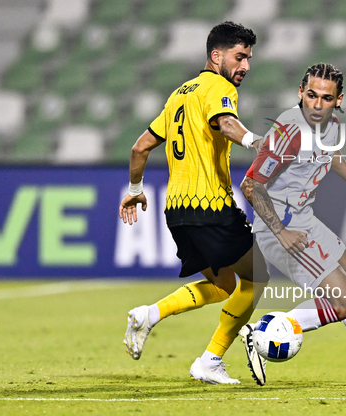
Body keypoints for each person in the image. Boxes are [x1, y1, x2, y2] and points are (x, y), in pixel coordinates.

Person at [238, 63, 346, 386]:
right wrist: (281, 232)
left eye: (326, 97)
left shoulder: (330, 124)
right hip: (282, 229)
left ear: (338, 100)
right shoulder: (287, 134)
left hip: (306, 220)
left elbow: (331, 152)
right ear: (300, 93)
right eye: (311, 96)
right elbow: (250, 185)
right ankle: (263, 331)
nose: (317, 105)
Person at [119, 21, 269, 385]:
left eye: (248, 58)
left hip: (176, 211)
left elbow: (140, 146)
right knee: (257, 278)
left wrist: (136, 188)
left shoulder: (177, 95)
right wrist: (259, 142)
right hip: (211, 206)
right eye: (239, 56)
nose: (245, 66)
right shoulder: (219, 87)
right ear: (216, 56)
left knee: (223, 286)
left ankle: (148, 314)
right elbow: (225, 123)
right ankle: (210, 360)